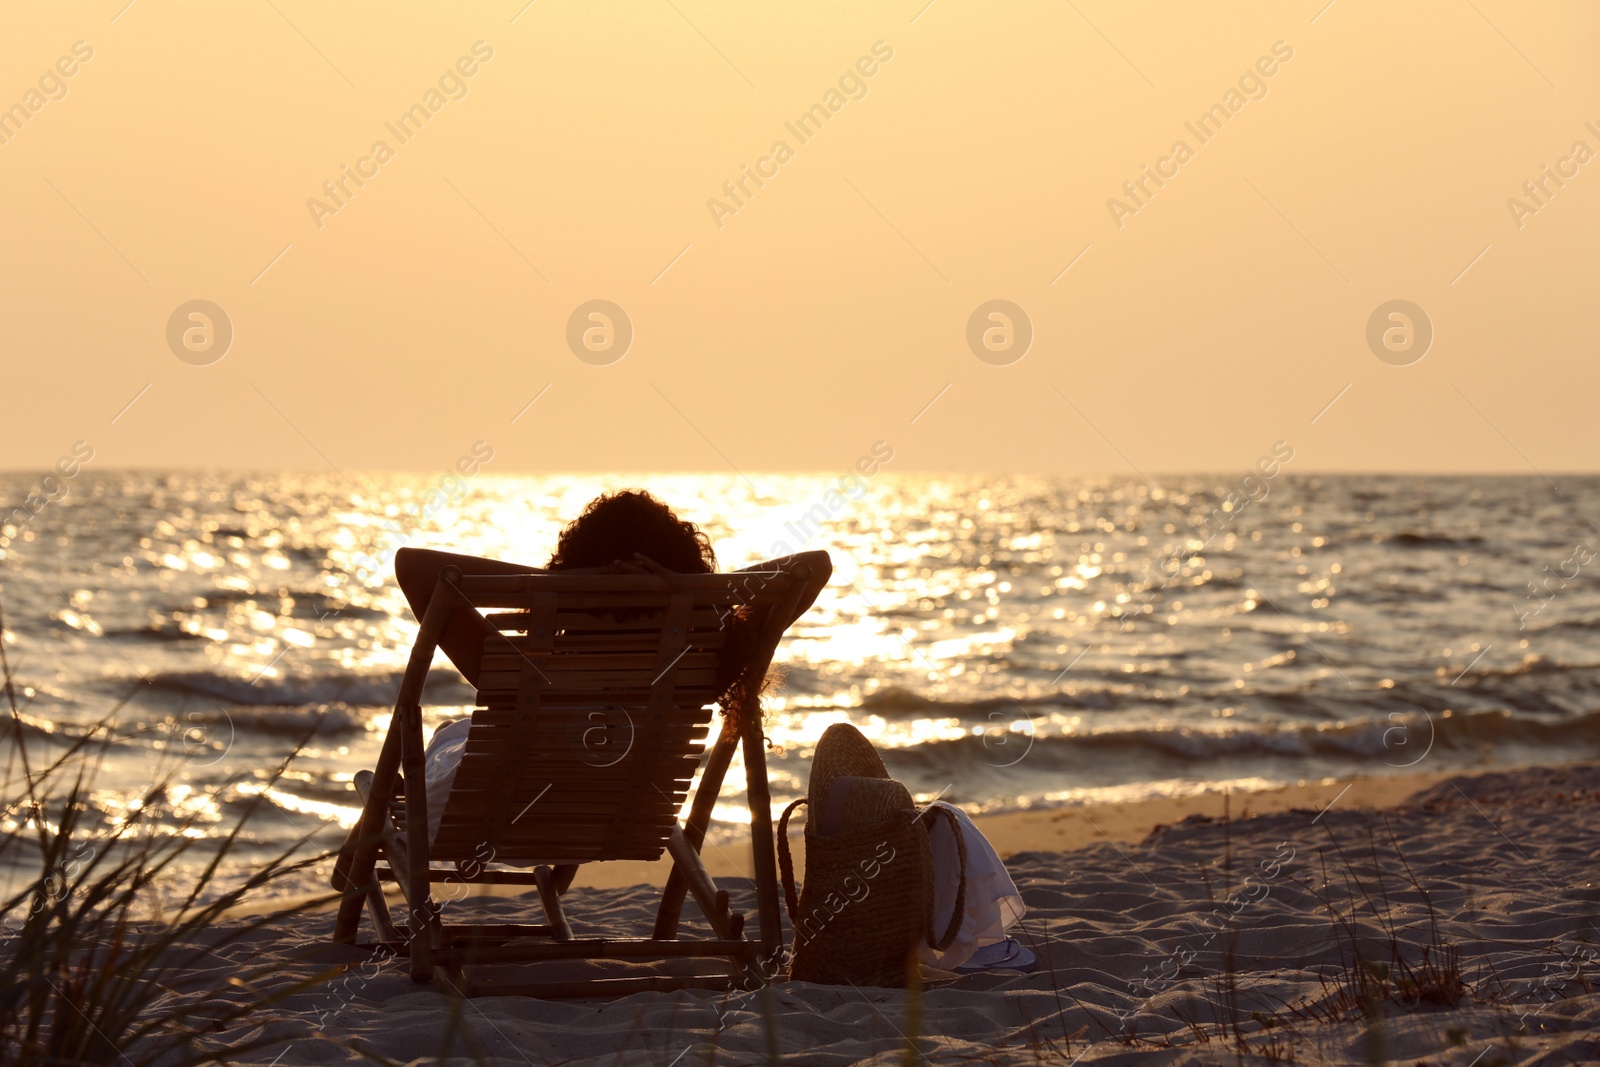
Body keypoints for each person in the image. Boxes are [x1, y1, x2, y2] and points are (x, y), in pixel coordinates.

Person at [391, 489, 831, 844]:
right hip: (621, 820)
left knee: (449, 736)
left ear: (570, 566)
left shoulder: (525, 679)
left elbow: (412, 565)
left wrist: (556, 585)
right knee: (455, 734)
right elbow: (813, 567)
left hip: (476, 819)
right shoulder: (700, 670)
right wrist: (688, 590)